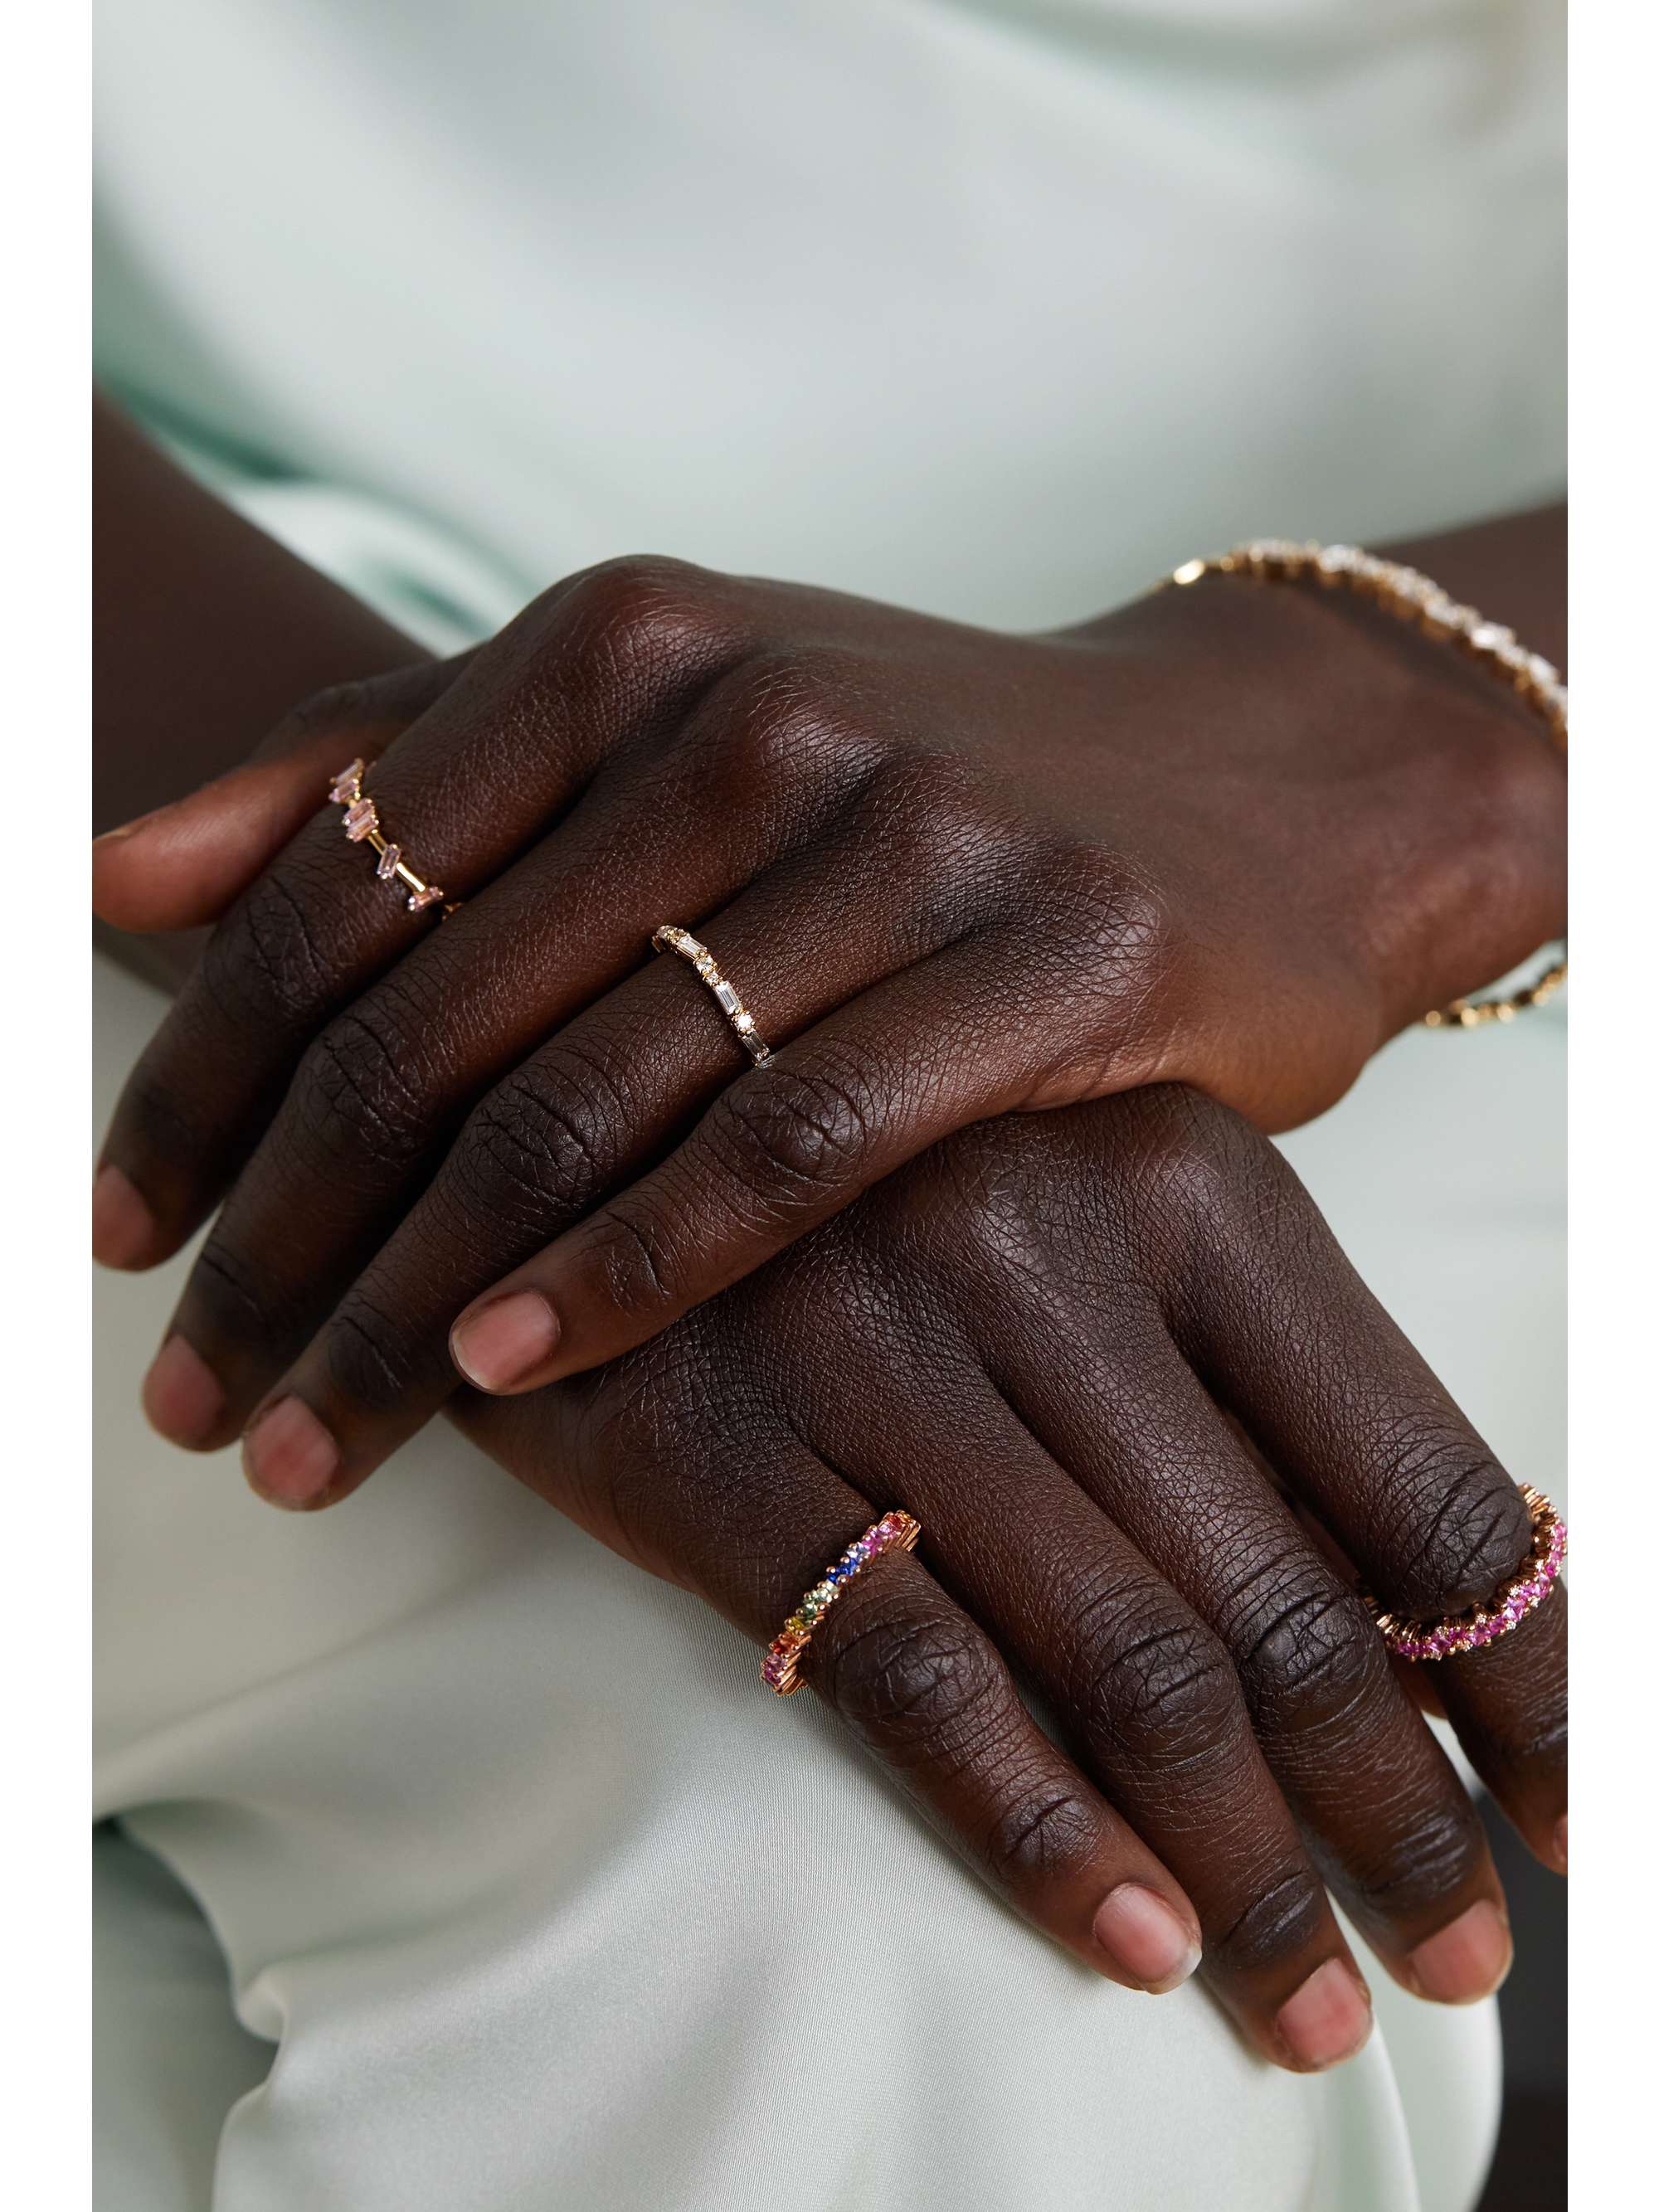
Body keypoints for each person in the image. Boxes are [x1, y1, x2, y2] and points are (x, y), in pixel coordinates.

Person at [92, 4, 1566, 2206]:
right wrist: (507, 953)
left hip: (1385, 817)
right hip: (153, 671)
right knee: (860, 1877)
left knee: (1013, 1932)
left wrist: (1434, 732)